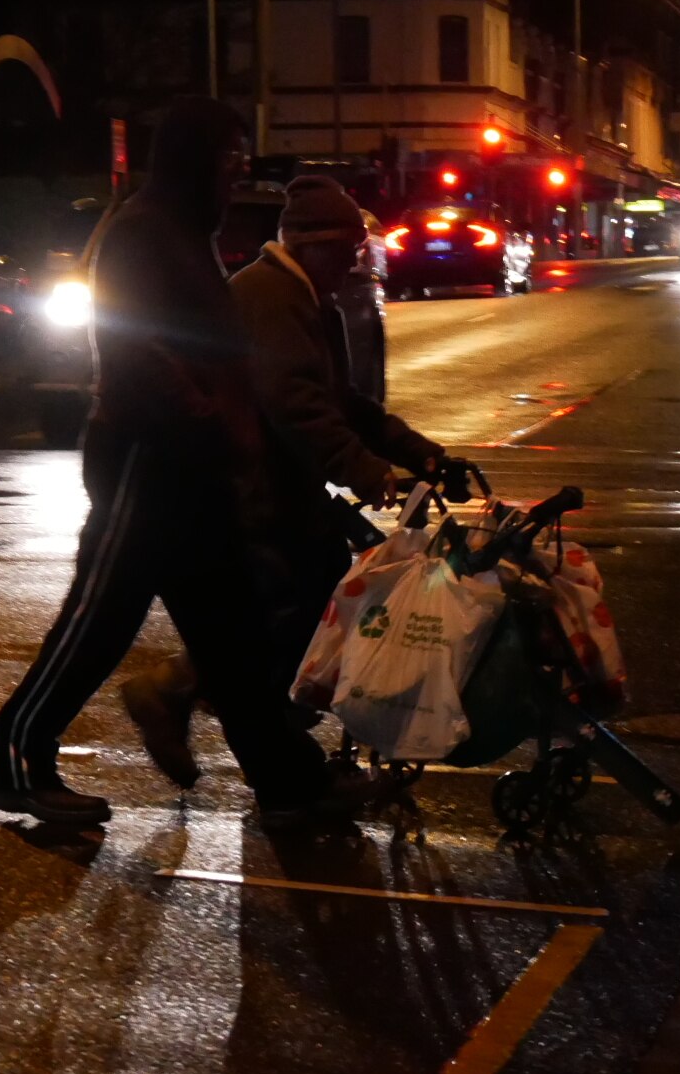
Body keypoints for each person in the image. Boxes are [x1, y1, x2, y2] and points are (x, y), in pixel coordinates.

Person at [0, 102, 380, 830]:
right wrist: (199, 407)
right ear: (192, 157)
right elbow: (138, 343)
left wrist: (228, 435)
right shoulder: (142, 230)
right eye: (227, 156)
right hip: (148, 456)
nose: (235, 170)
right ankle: (18, 759)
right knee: (97, 622)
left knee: (233, 637)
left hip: (195, 465)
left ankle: (287, 782)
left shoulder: (185, 232)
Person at [120, 174, 463, 788]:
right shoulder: (274, 297)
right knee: (294, 604)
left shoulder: (307, 296)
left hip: (279, 485)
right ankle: (248, 726)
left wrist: (424, 455)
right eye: (347, 251)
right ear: (311, 246)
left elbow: (344, 400)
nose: (356, 262)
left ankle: (194, 698)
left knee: (298, 601)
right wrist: (362, 468)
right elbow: (294, 401)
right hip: (249, 486)